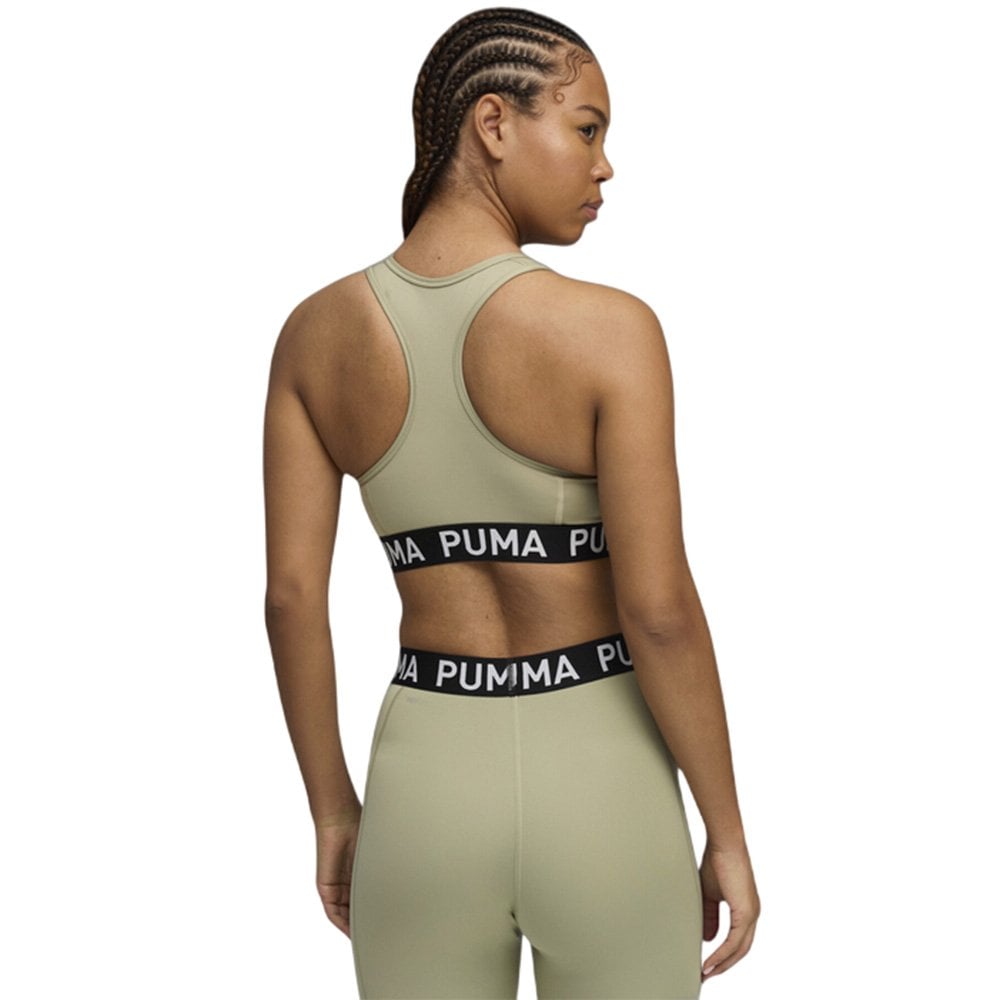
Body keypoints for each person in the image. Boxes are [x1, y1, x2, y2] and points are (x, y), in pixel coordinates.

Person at [263, 7, 760, 998]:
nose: (605, 166)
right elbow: (658, 610)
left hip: (424, 788)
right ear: (493, 123)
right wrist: (727, 831)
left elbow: (290, 599)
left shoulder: (315, 336)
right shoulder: (609, 330)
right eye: (586, 128)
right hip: (602, 778)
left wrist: (333, 810)